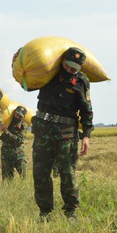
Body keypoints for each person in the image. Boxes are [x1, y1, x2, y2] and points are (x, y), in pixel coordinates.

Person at [32, 47, 93, 220]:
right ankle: (45, 212)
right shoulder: (47, 73)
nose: (70, 70)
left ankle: (71, 213)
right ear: (62, 61)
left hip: (66, 134)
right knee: (40, 173)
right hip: (43, 131)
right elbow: (27, 83)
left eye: (74, 68)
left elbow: (87, 110)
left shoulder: (81, 81)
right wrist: (20, 60)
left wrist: (86, 135)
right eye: (67, 65)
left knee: (67, 173)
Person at [0, 105, 29, 180]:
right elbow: (2, 137)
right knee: (7, 178)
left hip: (18, 153)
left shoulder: (23, 125)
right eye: (16, 114)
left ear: (23, 117)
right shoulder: (7, 122)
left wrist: (7, 132)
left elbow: (19, 140)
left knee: (24, 176)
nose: (17, 117)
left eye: (20, 116)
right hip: (6, 153)